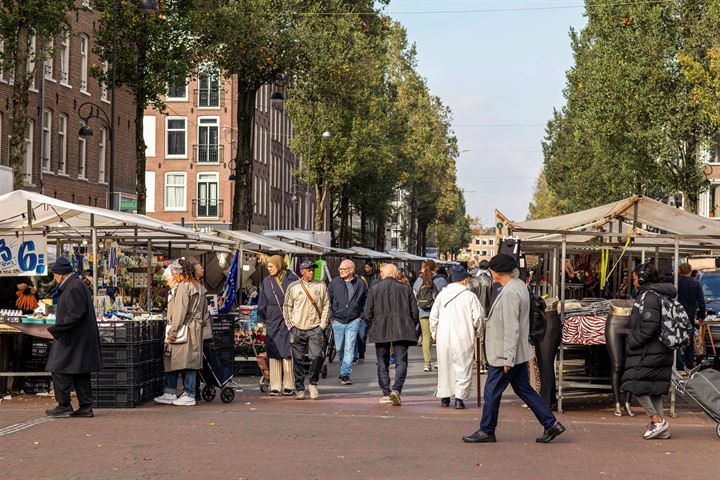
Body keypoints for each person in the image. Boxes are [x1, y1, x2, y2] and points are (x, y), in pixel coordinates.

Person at [463, 254, 565, 444]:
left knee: (492, 391)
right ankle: (551, 423)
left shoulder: (510, 292)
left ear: (498, 272)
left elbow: (512, 327)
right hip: (517, 351)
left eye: (492, 271)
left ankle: (487, 429)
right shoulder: (518, 286)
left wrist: (507, 358)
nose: (491, 274)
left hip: (506, 353)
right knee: (524, 389)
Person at [621, 262, 675, 439]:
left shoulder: (649, 297)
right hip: (660, 350)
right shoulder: (659, 294)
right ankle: (662, 428)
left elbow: (649, 325)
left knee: (635, 383)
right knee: (655, 388)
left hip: (649, 350)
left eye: (635, 279)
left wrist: (632, 342)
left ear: (642, 278)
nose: (634, 283)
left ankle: (656, 420)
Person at [44, 257, 102, 418]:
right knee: (80, 371)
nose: (54, 278)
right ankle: (85, 406)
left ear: (60, 274)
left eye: (55, 274)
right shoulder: (77, 284)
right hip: (80, 338)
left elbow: (75, 314)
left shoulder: (73, 287)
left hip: (73, 338)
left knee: (58, 368)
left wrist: (57, 329)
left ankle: (64, 405)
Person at [365, 263, 419, 406]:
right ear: (395, 274)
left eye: (381, 272)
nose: (380, 274)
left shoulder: (375, 288)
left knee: (382, 361)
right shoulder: (405, 288)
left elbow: (367, 312)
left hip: (380, 328)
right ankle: (397, 389)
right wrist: (410, 324)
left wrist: (373, 325)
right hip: (401, 328)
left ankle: (386, 391)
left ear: (384, 273)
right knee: (401, 361)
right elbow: (415, 312)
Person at [430, 266, 483, 409]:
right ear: (465, 280)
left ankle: (445, 396)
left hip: (443, 335)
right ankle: (459, 398)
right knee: (463, 366)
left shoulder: (442, 295)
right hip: (463, 335)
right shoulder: (470, 296)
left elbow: (433, 317)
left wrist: (435, 333)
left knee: (445, 366)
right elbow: (478, 317)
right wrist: (479, 332)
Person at [154, 259, 206, 407]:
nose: (174, 277)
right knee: (189, 360)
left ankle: (186, 393)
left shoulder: (184, 287)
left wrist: (173, 330)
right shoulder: (199, 287)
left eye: (175, 273)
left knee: (180, 360)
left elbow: (180, 311)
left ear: (179, 273)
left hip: (184, 328)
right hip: (194, 328)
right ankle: (176, 392)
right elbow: (203, 312)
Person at [284, 260, 330, 400]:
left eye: (313, 270)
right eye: (309, 270)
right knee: (297, 359)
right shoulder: (293, 287)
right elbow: (287, 307)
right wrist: (290, 325)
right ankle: (299, 388)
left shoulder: (321, 286)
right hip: (297, 327)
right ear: (302, 272)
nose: (312, 272)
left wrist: (322, 325)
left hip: (315, 327)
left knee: (318, 356)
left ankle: (313, 382)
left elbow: (327, 305)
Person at [257, 255, 298, 396]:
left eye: (271, 266)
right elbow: (262, 302)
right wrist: (260, 320)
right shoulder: (266, 281)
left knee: (287, 352)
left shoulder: (292, 279)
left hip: (288, 318)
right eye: (267, 266)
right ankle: (275, 385)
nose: (268, 269)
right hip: (272, 320)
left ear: (279, 265)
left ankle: (289, 385)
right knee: (274, 352)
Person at [328, 259, 368, 385]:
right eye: (339, 269)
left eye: (343, 269)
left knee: (349, 348)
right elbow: (327, 300)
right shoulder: (334, 283)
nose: (340, 271)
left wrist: (360, 316)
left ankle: (345, 374)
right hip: (337, 321)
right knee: (340, 349)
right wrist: (331, 318)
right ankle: (342, 370)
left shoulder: (360, 283)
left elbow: (366, 301)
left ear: (351, 270)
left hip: (353, 320)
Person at [413, 259, 448, 372]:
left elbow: (414, 295)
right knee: (439, 337)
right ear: (435, 268)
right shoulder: (440, 280)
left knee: (426, 337)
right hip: (439, 313)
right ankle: (439, 361)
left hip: (423, 312)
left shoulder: (419, 280)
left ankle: (427, 363)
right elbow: (446, 295)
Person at [676, 263, 705, 371]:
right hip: (689, 316)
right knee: (689, 341)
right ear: (690, 271)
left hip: (677, 315)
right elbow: (701, 302)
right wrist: (702, 316)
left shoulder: (676, 281)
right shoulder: (696, 284)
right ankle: (688, 364)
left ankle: (679, 365)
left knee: (677, 341)